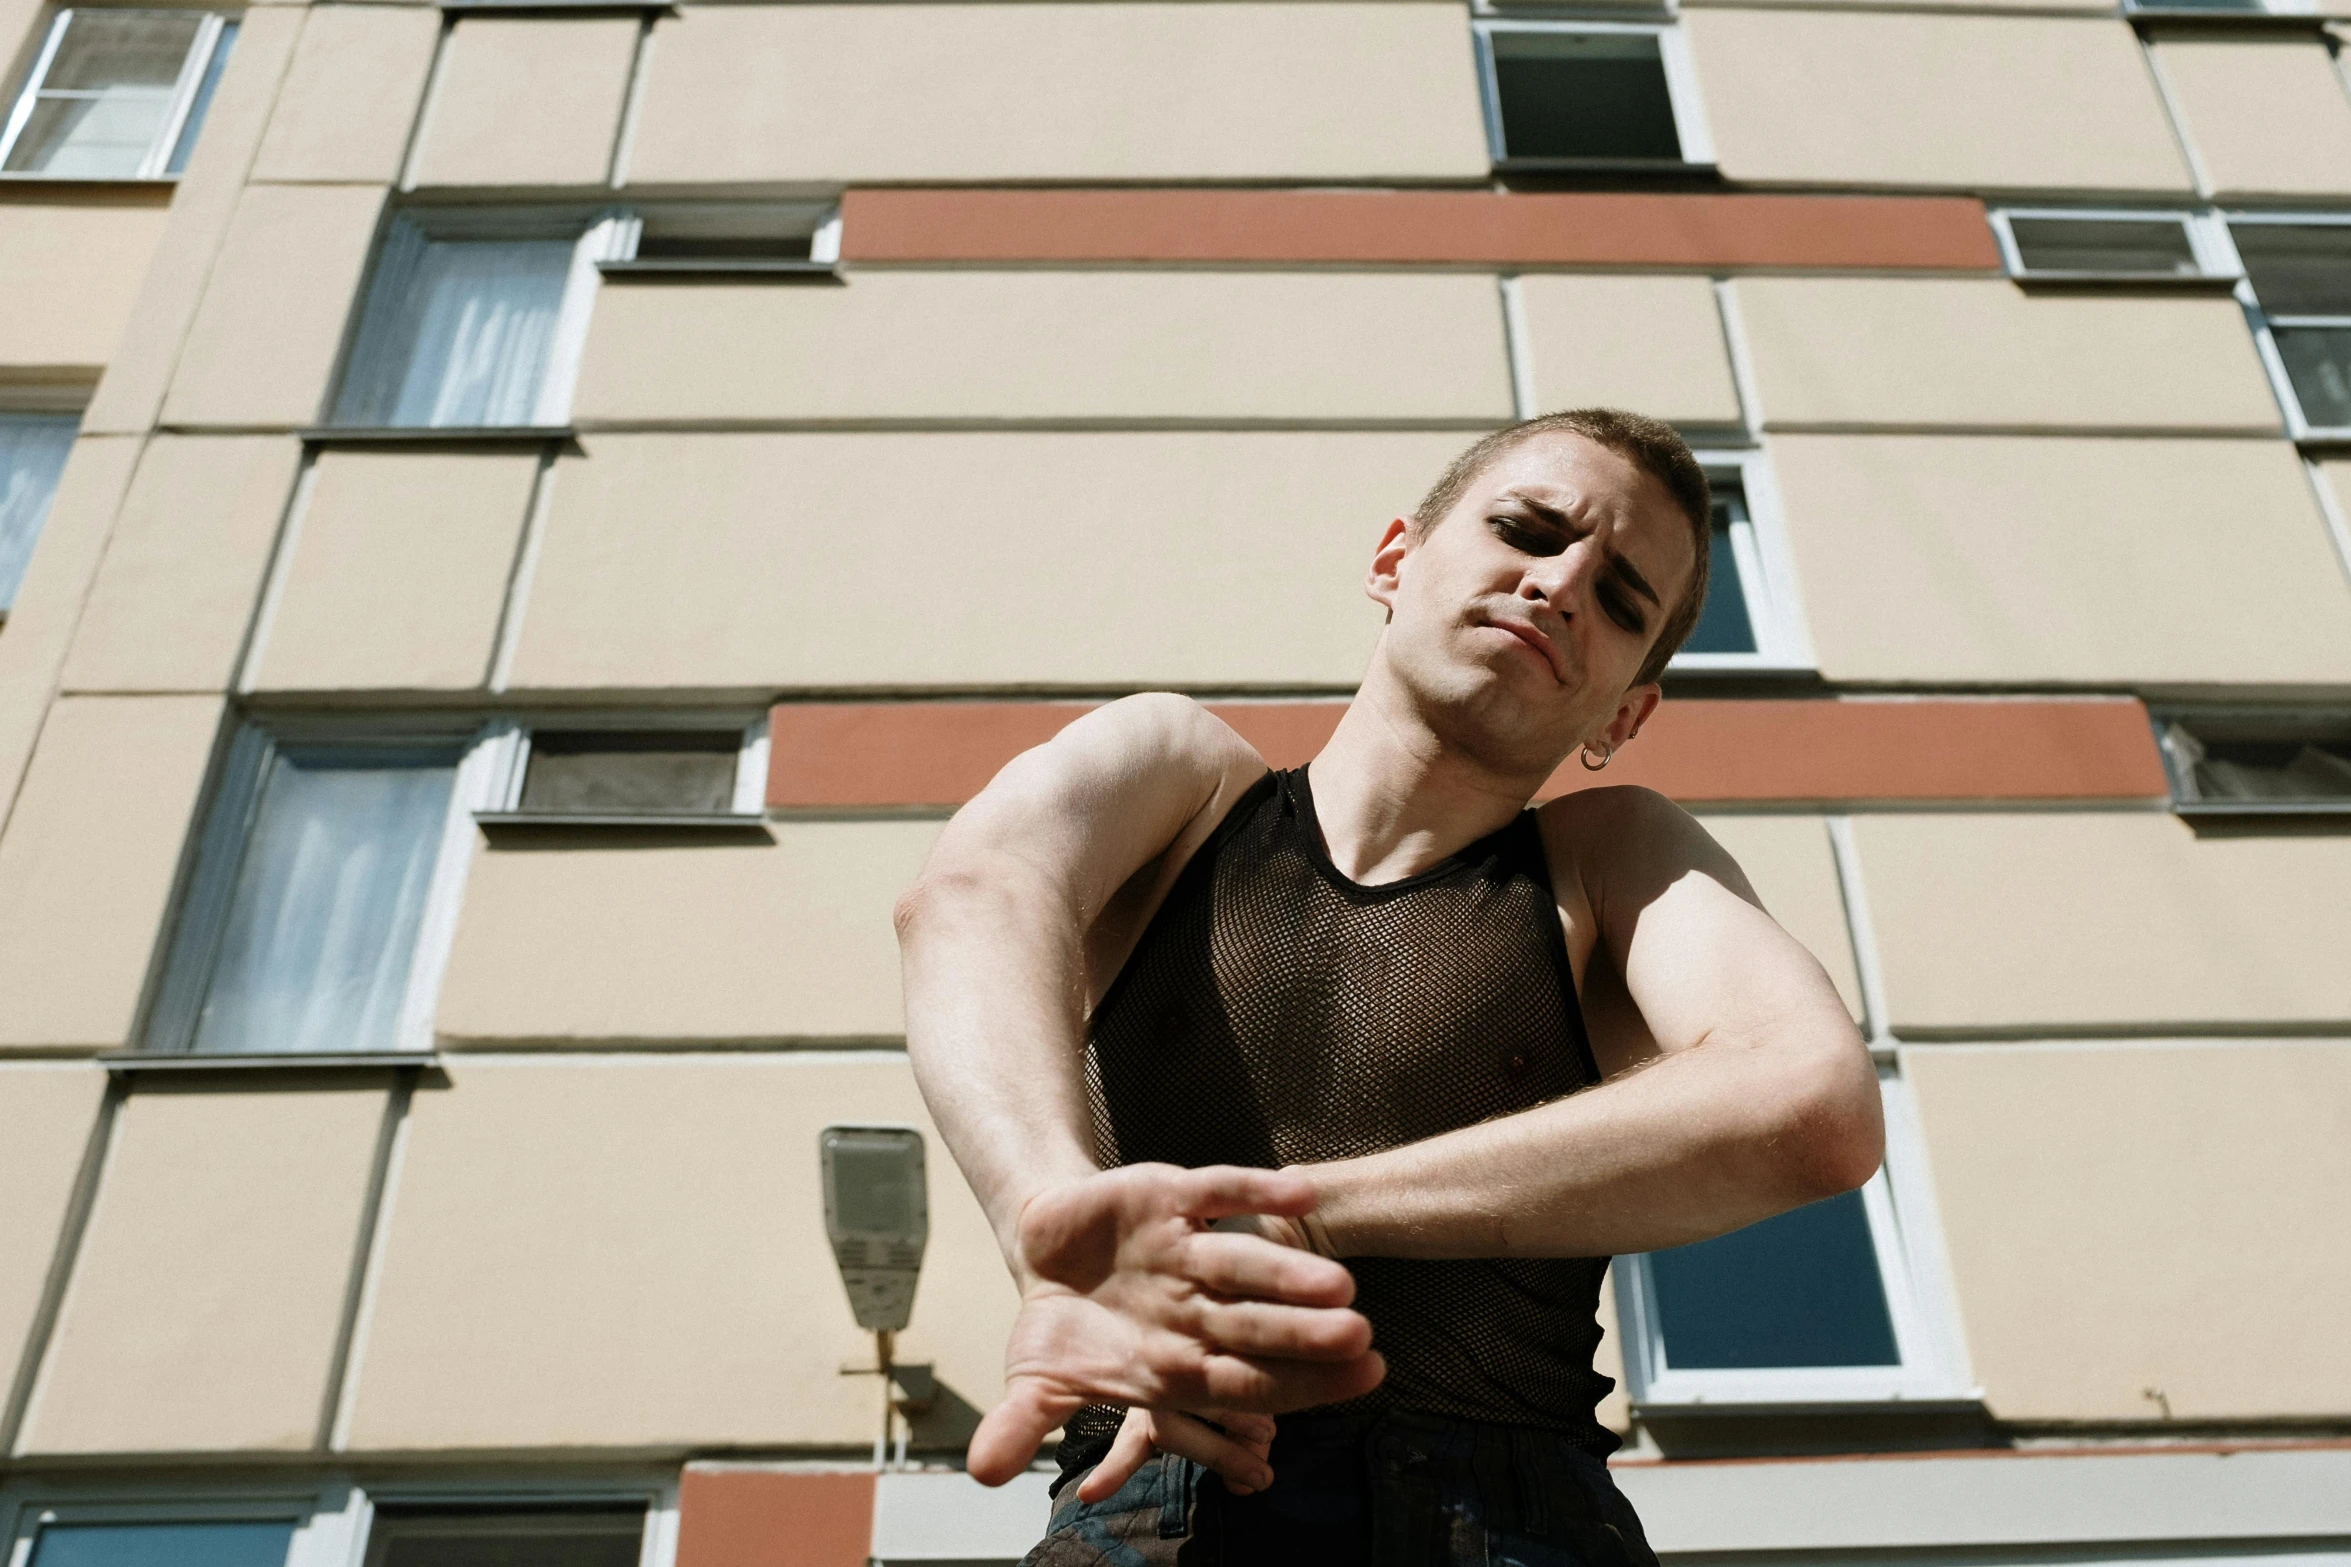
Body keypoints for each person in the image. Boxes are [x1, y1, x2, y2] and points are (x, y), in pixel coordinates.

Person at [895, 409, 1884, 1564]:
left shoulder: (1603, 857)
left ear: (1624, 713)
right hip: (1147, 1507)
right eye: (1524, 528)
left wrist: (1294, 1210)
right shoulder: (1180, 780)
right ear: (1392, 559)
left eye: (1620, 602)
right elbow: (969, 893)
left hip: (1511, 1523)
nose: (1557, 585)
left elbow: (1809, 1099)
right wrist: (1059, 1239)